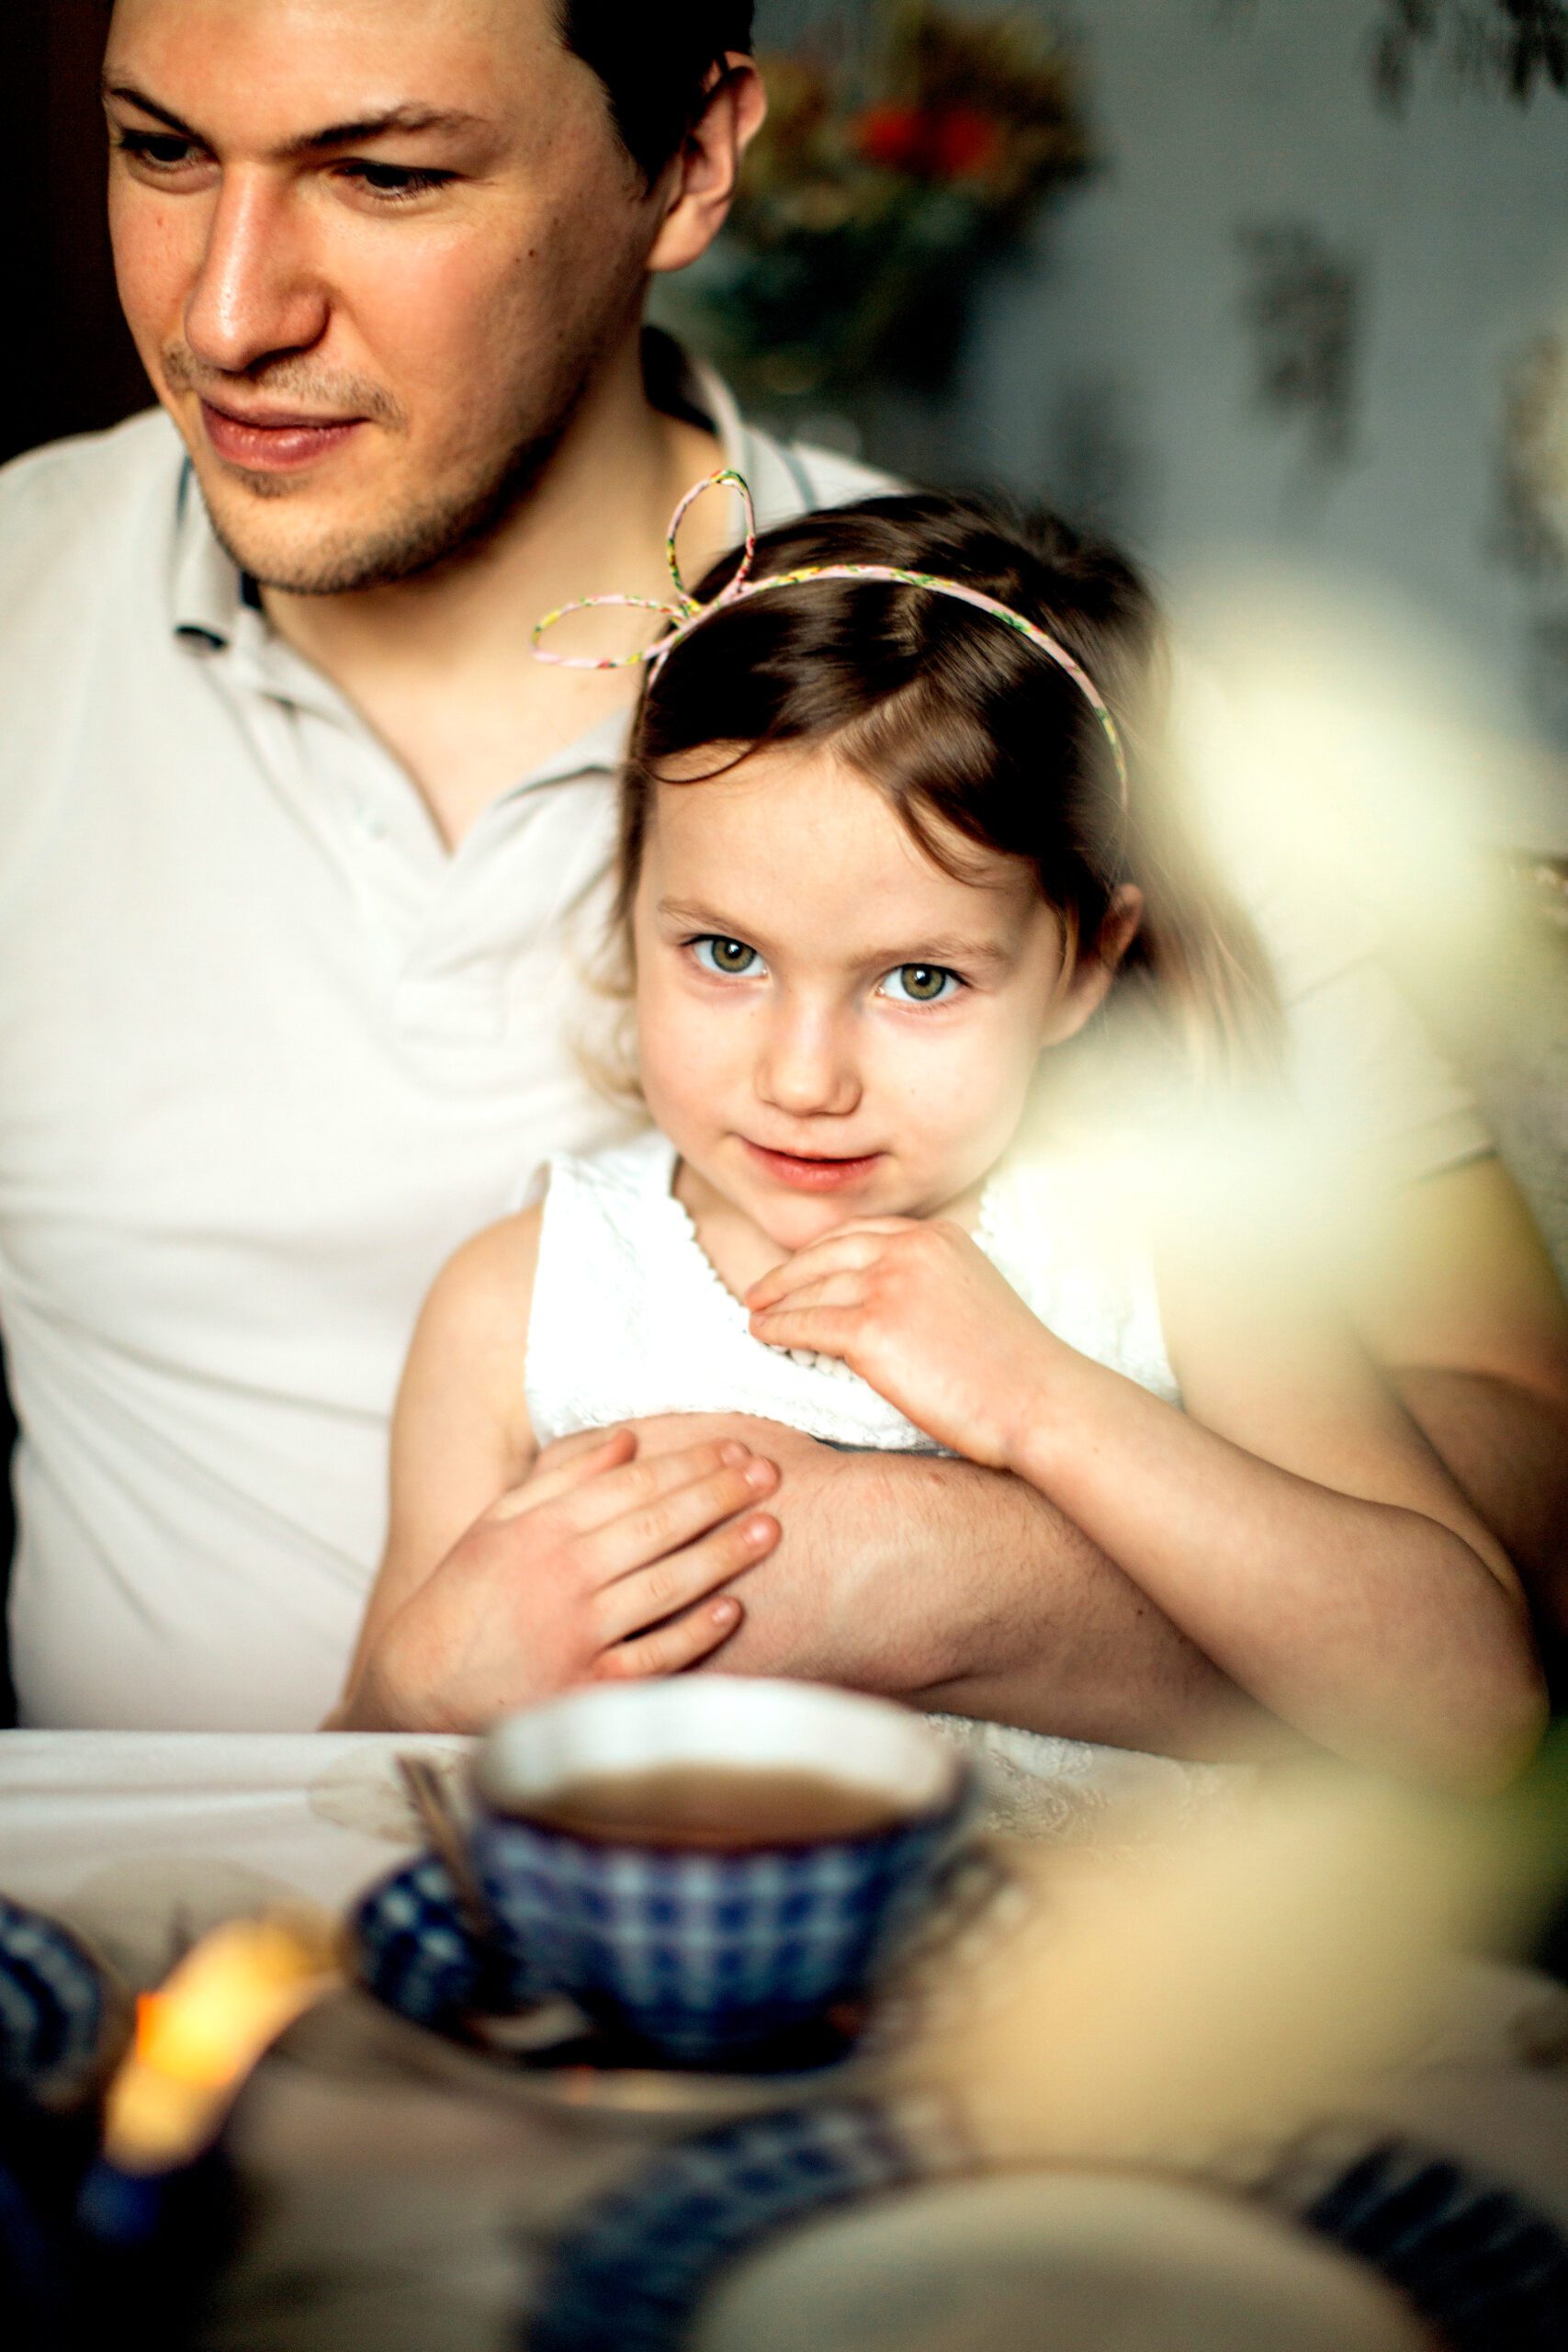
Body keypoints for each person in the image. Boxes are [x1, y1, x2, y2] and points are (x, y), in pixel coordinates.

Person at [1, 0, 1564, 1736]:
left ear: (688, 159)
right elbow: (380, 1734)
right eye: (161, 150)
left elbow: (1520, 1500)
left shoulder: (1047, 703)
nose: (228, 316)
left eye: (387, 174)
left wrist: (947, 1573)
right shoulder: (17, 602)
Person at [341, 481, 1545, 1788]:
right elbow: (341, 1783)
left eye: (920, 980)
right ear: (635, 903)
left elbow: (1476, 1708)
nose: (805, 1079)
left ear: (1085, 965)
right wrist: (417, 1681)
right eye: (727, 954)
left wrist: (1041, 1403)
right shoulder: (522, 1302)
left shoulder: (1171, 1251)